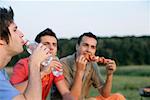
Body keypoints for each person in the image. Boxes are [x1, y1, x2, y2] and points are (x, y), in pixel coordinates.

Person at [51, 32, 126, 100]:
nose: (88, 50)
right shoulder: (63, 64)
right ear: (77, 47)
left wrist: (109, 74)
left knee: (118, 97)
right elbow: (71, 98)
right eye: (85, 45)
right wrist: (80, 71)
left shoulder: (92, 64)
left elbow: (105, 94)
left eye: (92, 47)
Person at [0, 7, 51, 100]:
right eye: (15, 30)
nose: (21, 34)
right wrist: (34, 64)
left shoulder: (2, 72)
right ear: (1, 39)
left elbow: (14, 94)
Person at [10, 28, 74, 100]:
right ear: (36, 48)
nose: (51, 47)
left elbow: (65, 93)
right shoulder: (23, 64)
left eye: (54, 44)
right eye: (46, 44)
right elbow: (12, 93)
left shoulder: (53, 65)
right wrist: (43, 73)